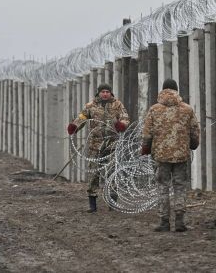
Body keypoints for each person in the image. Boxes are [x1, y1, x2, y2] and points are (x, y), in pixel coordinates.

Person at [140, 79, 200, 232]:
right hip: (181, 155)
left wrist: (146, 148)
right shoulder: (187, 109)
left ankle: (164, 222)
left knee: (162, 187)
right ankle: (180, 221)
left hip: (161, 155)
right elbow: (195, 131)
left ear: (163, 90)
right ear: (176, 90)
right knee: (180, 186)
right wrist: (193, 144)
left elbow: (147, 133)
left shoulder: (154, 109)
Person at [67, 84, 129, 213]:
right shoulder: (91, 106)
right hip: (95, 145)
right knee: (94, 173)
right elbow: (82, 118)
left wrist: (121, 125)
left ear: (110, 93)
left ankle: (112, 203)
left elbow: (125, 118)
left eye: (107, 92)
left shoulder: (117, 105)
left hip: (112, 144)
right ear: (98, 93)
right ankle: (92, 204)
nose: (105, 94)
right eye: (102, 92)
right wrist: (74, 126)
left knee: (112, 173)